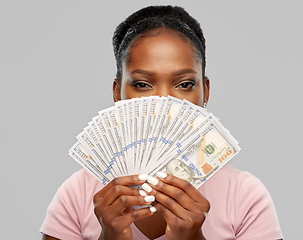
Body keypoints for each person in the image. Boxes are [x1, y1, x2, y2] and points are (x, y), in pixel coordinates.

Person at [40, 5, 283, 240]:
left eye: (184, 84)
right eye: (142, 84)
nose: (164, 102)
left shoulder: (244, 196)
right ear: (117, 94)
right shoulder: (76, 195)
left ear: (205, 92)